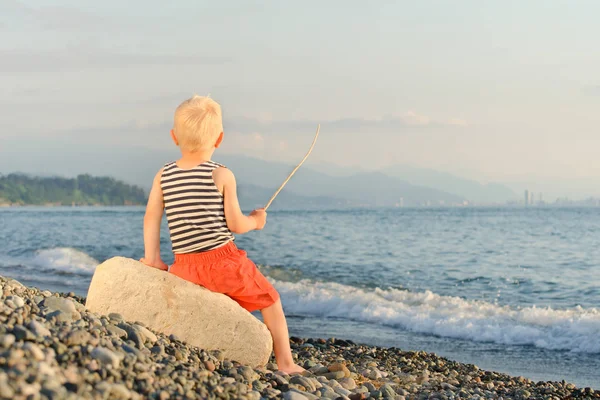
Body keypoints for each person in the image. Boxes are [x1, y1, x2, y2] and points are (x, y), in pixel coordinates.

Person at [140, 95, 304, 374]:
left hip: (184, 266)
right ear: (220, 139)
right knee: (270, 299)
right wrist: (256, 220)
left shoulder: (164, 175)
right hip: (223, 262)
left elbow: (151, 217)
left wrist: (153, 259)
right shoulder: (221, 174)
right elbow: (236, 225)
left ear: (173, 137)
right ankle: (286, 363)